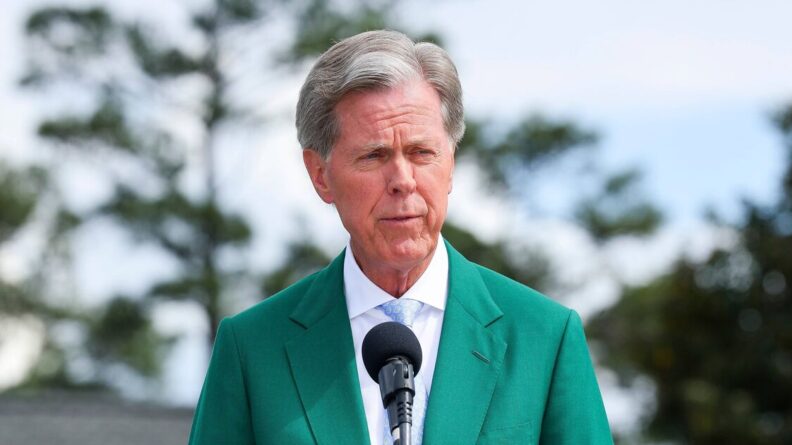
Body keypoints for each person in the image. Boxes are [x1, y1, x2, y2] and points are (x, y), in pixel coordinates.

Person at [188, 30, 613, 444]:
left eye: (421, 153)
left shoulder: (545, 336)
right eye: (374, 156)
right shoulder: (252, 348)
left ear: (451, 163)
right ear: (320, 175)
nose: (403, 181)